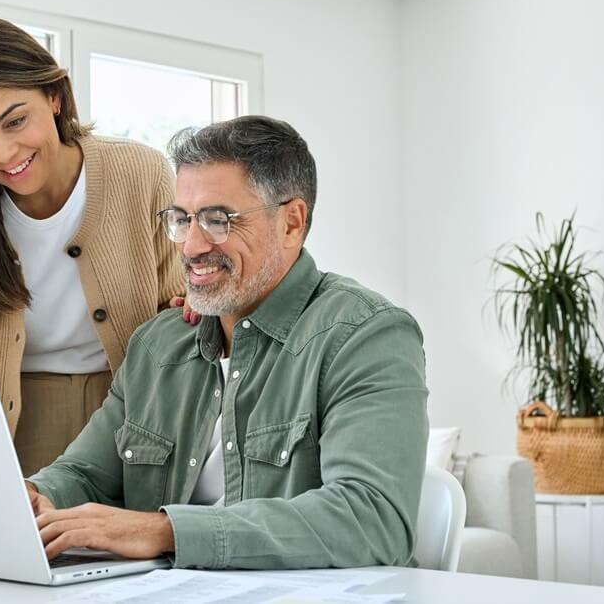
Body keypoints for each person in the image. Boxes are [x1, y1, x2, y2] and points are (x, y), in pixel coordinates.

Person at [25, 115, 429, 570]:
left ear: (291, 223)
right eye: (181, 219)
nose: (191, 246)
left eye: (219, 220)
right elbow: (85, 474)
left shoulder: (366, 335)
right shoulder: (158, 345)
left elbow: (373, 521)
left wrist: (163, 532)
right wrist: (36, 496)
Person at [0, 17, 184, 476]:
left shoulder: (142, 173)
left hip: (132, 420)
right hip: (4, 431)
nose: (4, 154)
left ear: (54, 96)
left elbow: (178, 313)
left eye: (15, 121)